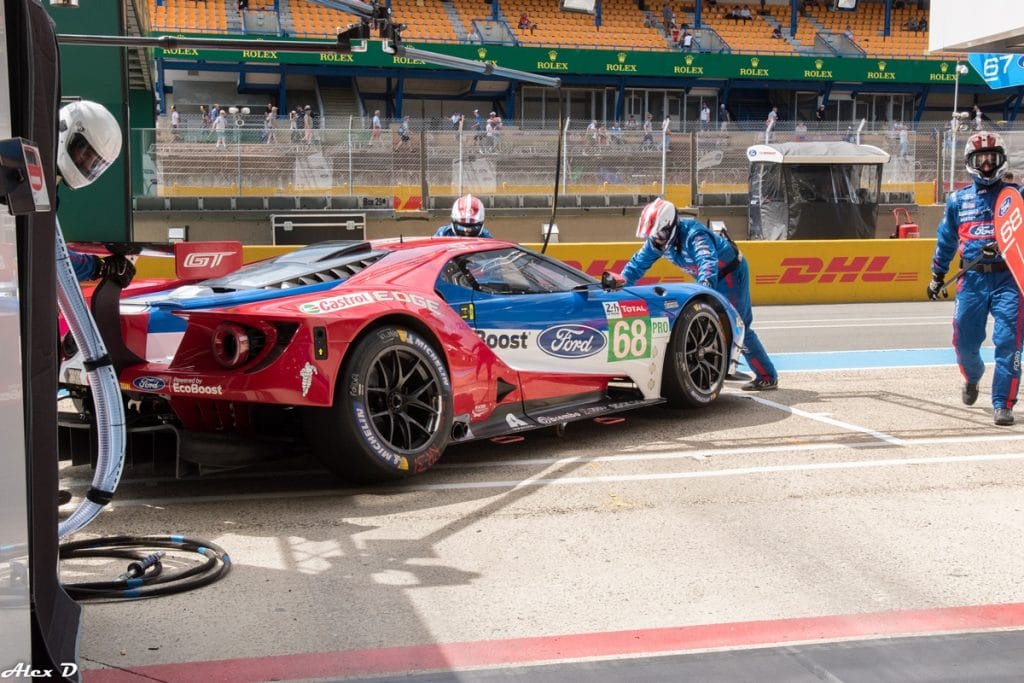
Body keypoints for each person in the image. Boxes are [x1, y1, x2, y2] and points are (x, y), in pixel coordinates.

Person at [620, 198, 778, 391]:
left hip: (730, 274)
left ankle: (767, 376)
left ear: (671, 225)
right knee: (706, 323)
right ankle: (723, 366)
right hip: (708, 278)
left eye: (660, 233)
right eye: (653, 234)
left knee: (739, 325)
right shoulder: (656, 242)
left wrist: (703, 290)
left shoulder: (695, 235)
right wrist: (620, 284)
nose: (657, 238)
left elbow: (708, 263)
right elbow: (637, 265)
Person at [926, 132, 1020, 426]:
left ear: (1002, 160)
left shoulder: (1017, 195)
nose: (988, 165)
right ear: (971, 162)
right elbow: (946, 241)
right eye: (982, 159)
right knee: (964, 342)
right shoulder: (957, 200)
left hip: (1010, 278)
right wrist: (937, 275)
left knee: (1008, 342)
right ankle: (972, 377)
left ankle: (1002, 404)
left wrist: (1007, 243)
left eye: (992, 158)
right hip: (971, 279)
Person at [56, 100, 135, 286]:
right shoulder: (36, 177)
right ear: (67, 130)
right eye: (84, 152)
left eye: (94, 164)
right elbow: (49, 256)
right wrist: (99, 268)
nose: (86, 164)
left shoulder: (48, 178)